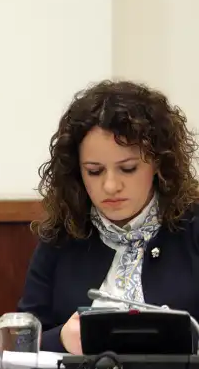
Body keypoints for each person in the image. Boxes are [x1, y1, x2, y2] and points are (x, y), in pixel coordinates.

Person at [18, 79, 199, 354]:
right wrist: (62, 340)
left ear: (159, 163)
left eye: (128, 168)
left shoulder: (193, 228)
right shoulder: (62, 235)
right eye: (94, 171)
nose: (111, 186)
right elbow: (20, 341)